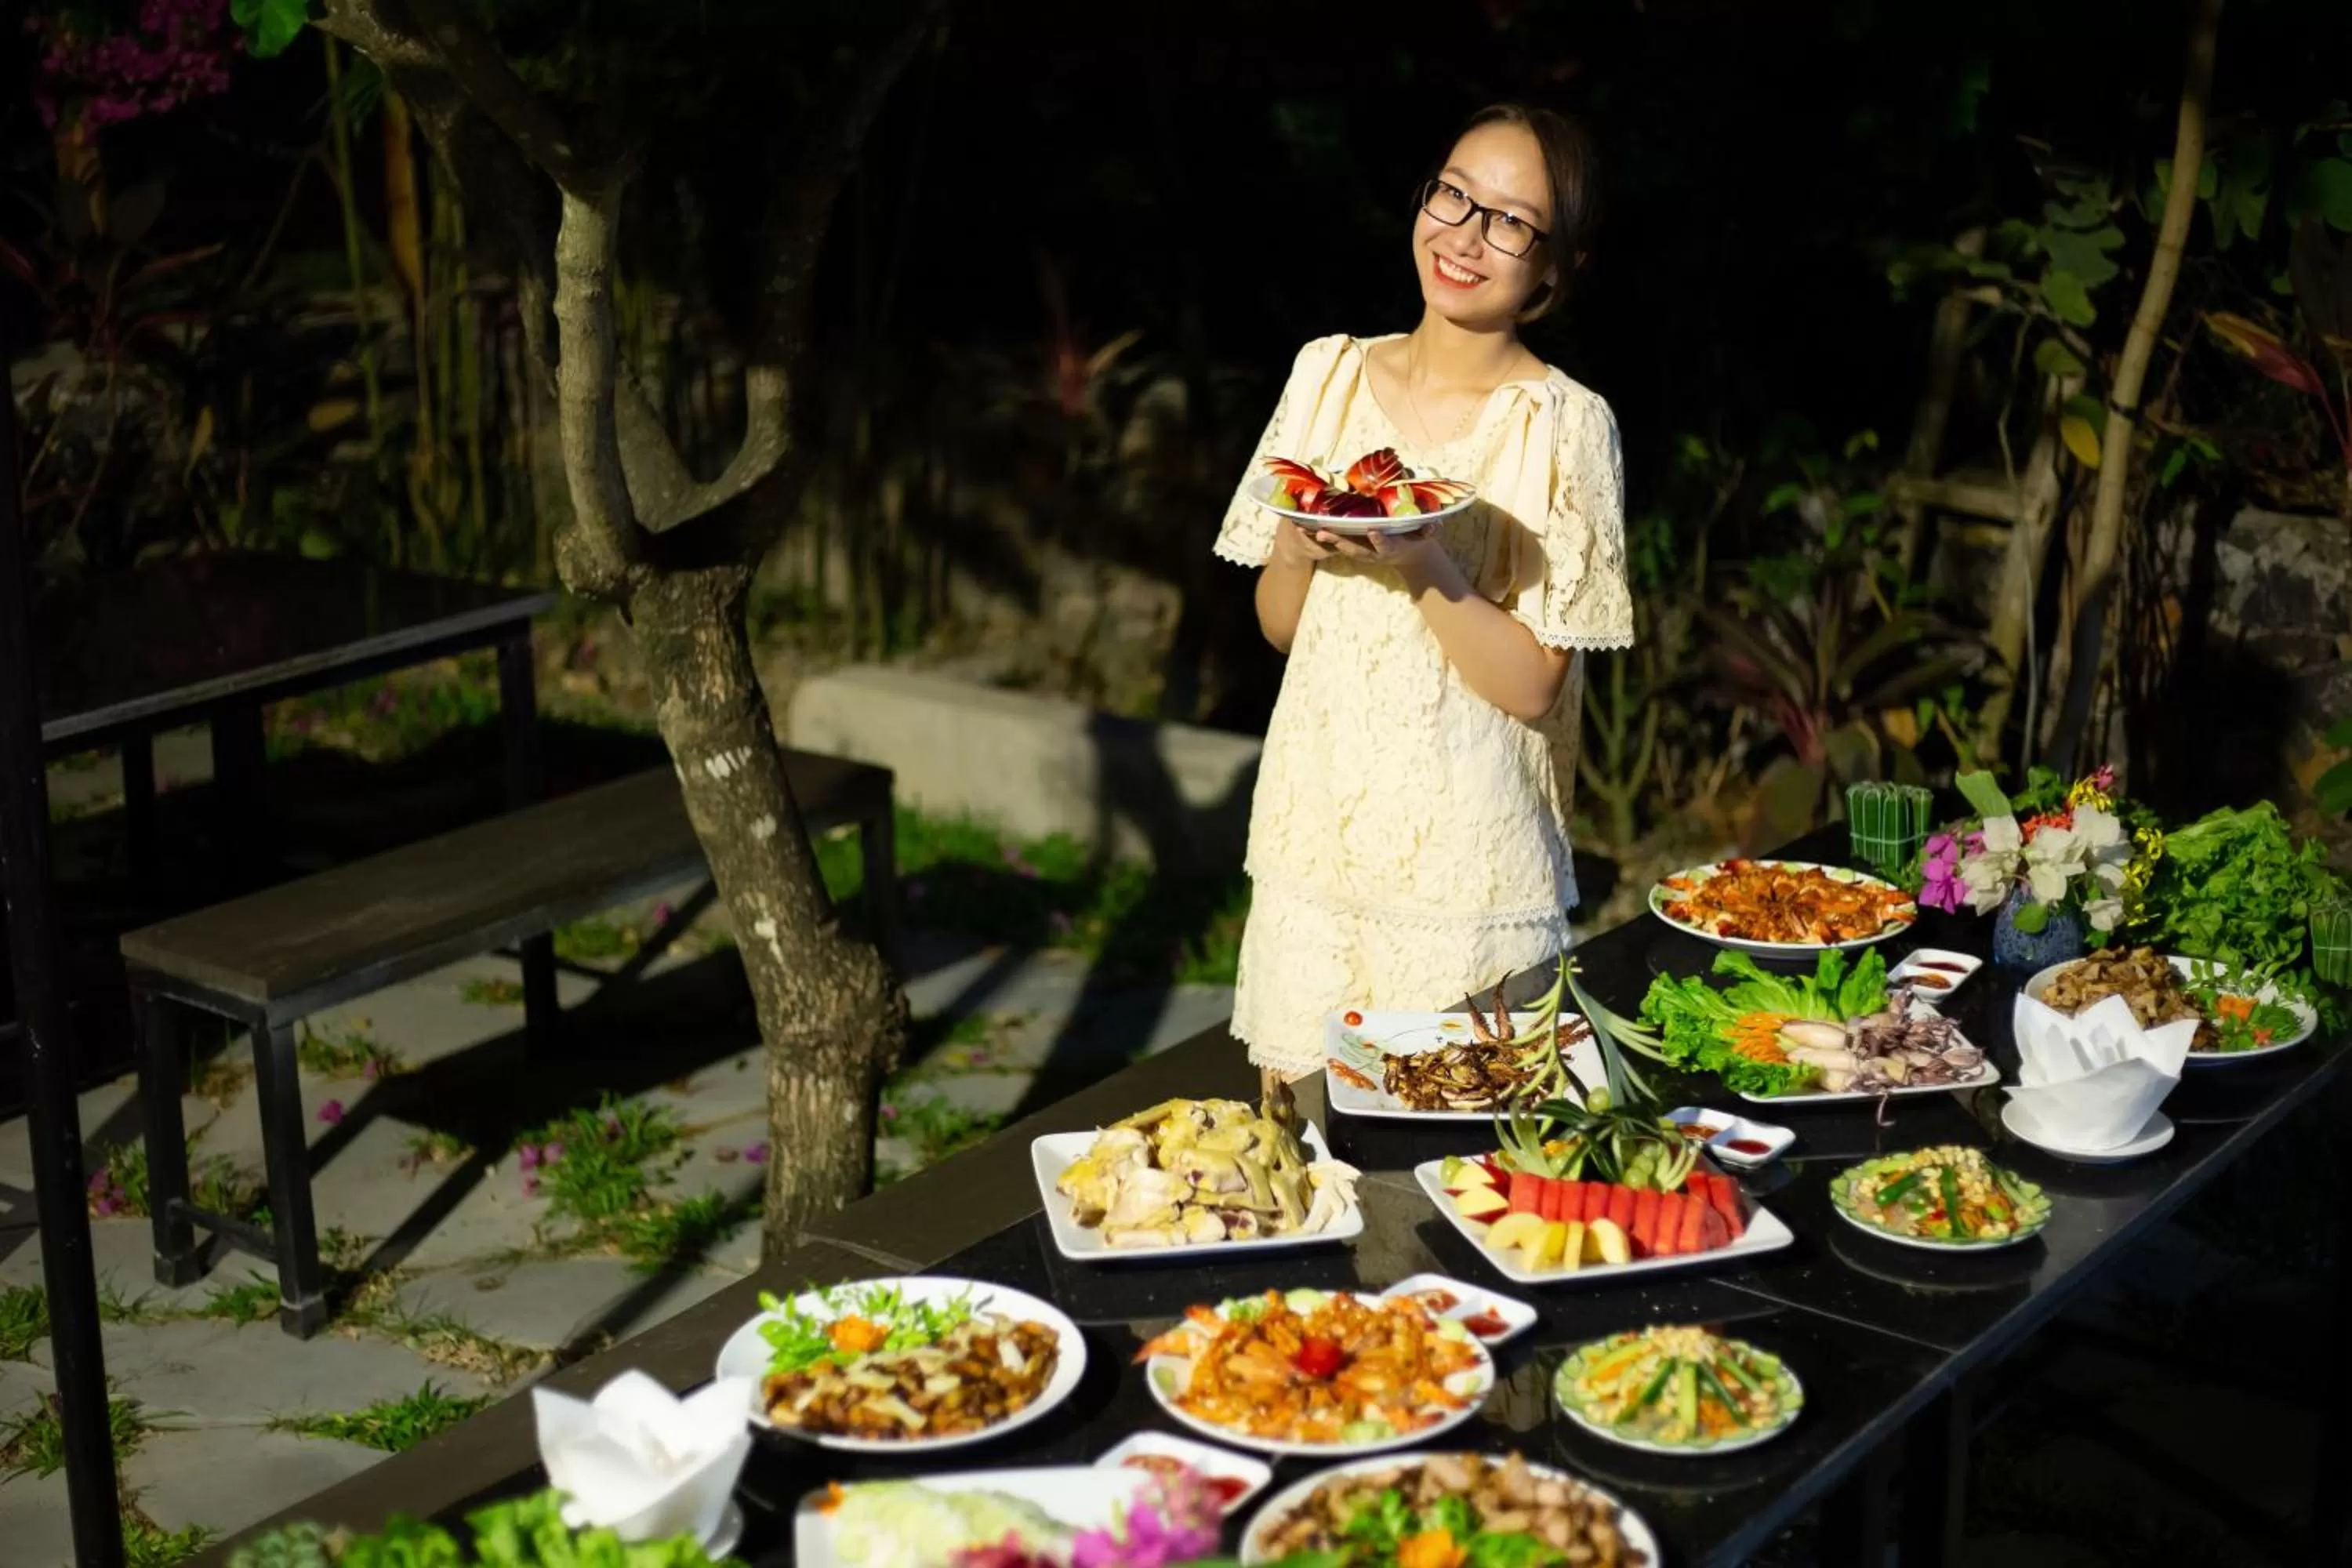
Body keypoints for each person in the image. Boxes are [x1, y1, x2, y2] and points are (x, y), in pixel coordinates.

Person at [1212, 103, 1634, 1107]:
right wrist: (1297, 541)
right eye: (1454, 194)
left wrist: (1425, 561)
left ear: (1552, 271)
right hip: (1313, 854)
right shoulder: (1326, 375)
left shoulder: (1562, 422)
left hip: (1465, 879)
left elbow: (1535, 685)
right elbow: (1281, 626)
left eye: (1510, 220)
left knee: (1452, 1186)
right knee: (1301, 1171)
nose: (1466, 234)